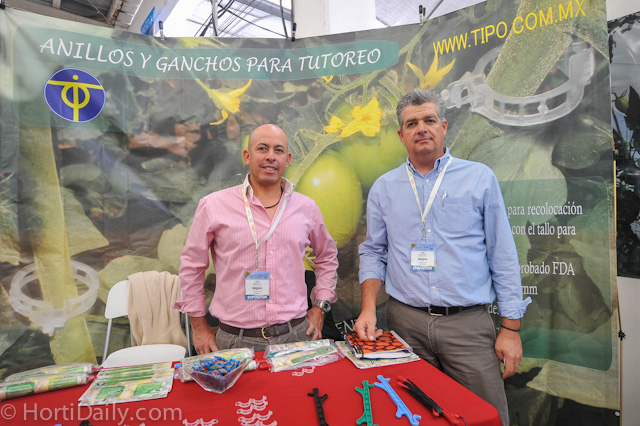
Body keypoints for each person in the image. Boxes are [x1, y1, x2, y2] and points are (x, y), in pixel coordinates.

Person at [355, 89, 531, 426]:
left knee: (485, 416)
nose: (421, 128)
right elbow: (374, 251)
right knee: (414, 416)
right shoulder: (383, 188)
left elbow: (502, 254)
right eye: (412, 123)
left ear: (444, 126)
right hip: (405, 324)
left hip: (467, 326)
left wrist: (511, 328)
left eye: (429, 120)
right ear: (401, 135)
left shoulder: (479, 178)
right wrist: (368, 308)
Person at [175, 124, 338, 353]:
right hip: (235, 341)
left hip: (297, 336)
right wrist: (198, 326)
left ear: (287, 159)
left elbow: (327, 257)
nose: (271, 156)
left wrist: (320, 306)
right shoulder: (213, 206)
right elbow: (192, 266)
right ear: (247, 156)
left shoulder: (306, 208)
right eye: (262, 148)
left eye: (278, 150)